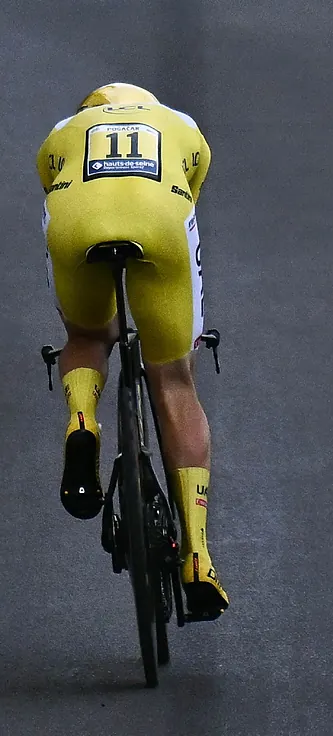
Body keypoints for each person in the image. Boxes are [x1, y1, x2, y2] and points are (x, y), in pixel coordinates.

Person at [37, 82, 229, 621]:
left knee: (87, 336)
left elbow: (51, 185)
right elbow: (191, 193)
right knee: (173, 378)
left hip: (78, 223)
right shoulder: (182, 124)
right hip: (159, 223)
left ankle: (82, 419)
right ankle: (198, 555)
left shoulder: (62, 132)